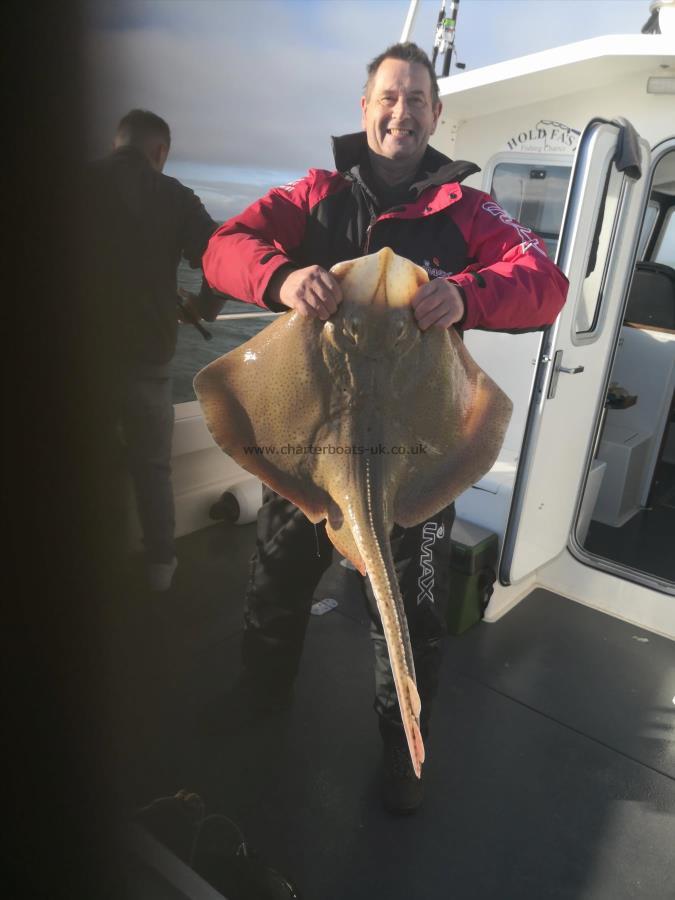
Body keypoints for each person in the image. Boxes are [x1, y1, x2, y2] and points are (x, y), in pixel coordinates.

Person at [202, 43, 569, 813]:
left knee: (404, 615)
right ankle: (259, 695)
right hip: (311, 449)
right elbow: (223, 247)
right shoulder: (315, 196)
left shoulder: (467, 212)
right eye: (388, 98)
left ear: (436, 115)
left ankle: (402, 748)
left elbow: (543, 282)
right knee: (273, 586)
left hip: (412, 454)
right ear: (365, 109)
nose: (402, 111)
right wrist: (277, 275)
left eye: (417, 100)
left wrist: (464, 296)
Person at [85, 109, 222, 591]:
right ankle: (160, 564)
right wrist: (203, 307)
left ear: (116, 142)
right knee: (152, 465)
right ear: (159, 151)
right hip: (148, 357)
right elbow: (218, 255)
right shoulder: (175, 197)